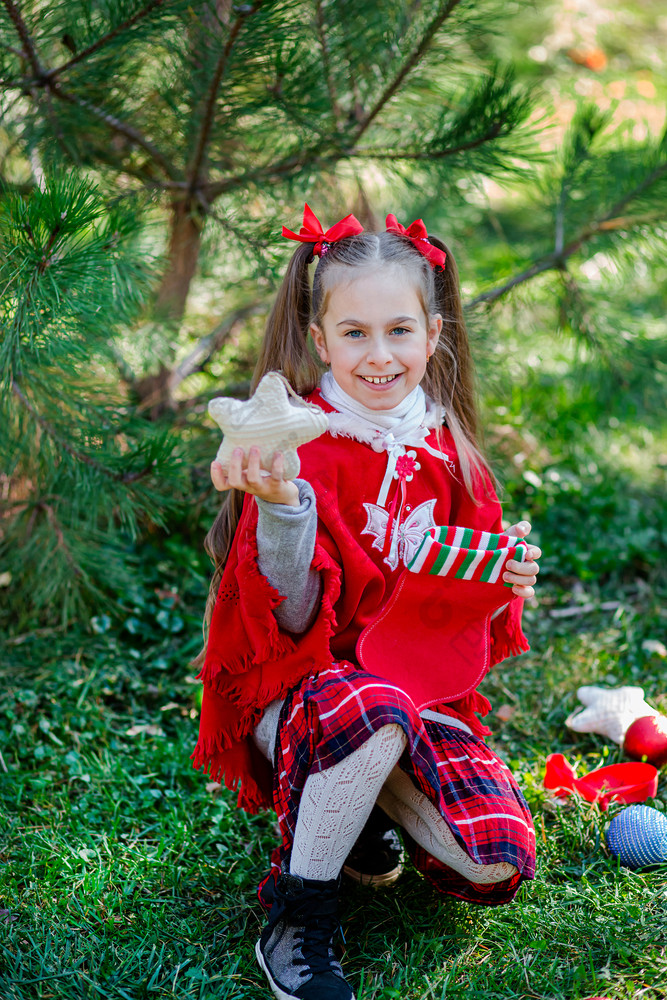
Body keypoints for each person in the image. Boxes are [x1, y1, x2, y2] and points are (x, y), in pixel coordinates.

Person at [191, 206, 542, 1000]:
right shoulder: (294, 448)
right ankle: (297, 911)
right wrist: (285, 508)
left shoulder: (450, 454)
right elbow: (283, 620)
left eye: (399, 331)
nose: (379, 356)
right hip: (304, 692)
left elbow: (449, 631)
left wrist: (494, 586)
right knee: (371, 709)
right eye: (353, 334)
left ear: (433, 333)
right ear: (319, 341)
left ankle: (357, 809)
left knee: (490, 857)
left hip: (411, 695)